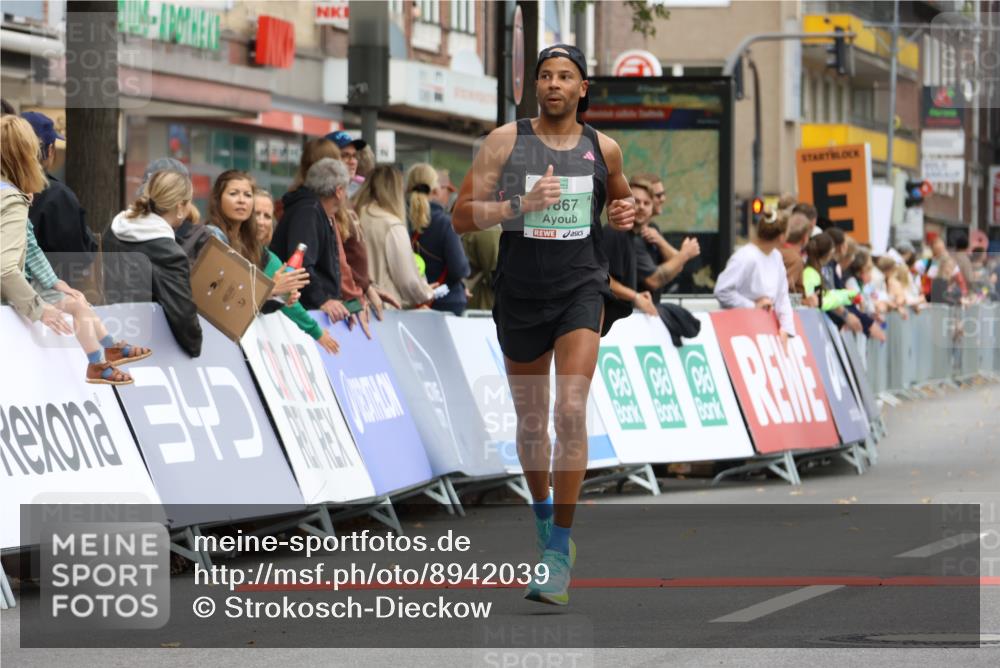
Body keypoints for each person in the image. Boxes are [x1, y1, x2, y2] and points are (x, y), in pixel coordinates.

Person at [451, 44, 636, 606]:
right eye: (545, 76)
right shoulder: (505, 142)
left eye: (565, 77)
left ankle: (558, 549)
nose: (553, 84)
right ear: (535, 86)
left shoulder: (605, 148)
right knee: (533, 422)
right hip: (522, 291)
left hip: (581, 287)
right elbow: (460, 215)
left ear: (583, 88)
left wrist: (627, 215)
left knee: (570, 409)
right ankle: (542, 517)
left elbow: (621, 208)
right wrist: (516, 207)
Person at [1, 115, 150, 385]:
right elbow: (7, 268)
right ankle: (99, 362)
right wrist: (39, 309)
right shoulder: (12, 199)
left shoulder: (14, 195)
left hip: (19, 292)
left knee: (78, 302)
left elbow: (29, 247)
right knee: (78, 304)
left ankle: (108, 351)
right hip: (12, 296)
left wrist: (54, 282)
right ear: (27, 153)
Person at [103, 170, 203, 357]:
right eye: (189, 202)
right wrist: (196, 343)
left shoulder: (115, 227)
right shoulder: (170, 254)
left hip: (110, 334)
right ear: (180, 206)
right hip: (148, 349)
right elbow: (183, 319)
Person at [204, 170, 310, 311]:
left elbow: (250, 307)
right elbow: (219, 298)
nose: (241, 200)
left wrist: (279, 297)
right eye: (233, 193)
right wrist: (270, 290)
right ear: (218, 199)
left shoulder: (250, 245)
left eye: (247, 195)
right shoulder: (212, 236)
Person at [254, 188, 340, 354]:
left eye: (266, 216)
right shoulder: (225, 242)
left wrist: (281, 297)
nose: (261, 222)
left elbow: (287, 302)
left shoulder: (270, 259)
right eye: (256, 214)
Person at [22, 111, 96, 290]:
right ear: (49, 151)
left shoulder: (6, 188)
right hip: (49, 299)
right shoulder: (58, 197)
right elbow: (76, 261)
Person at [357, 165, 438, 309]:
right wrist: (426, 292)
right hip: (384, 308)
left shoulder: (353, 215)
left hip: (356, 306)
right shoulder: (392, 225)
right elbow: (408, 281)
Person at [714, 208, 796, 347]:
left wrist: (786, 328)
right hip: (739, 333)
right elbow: (722, 290)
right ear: (782, 237)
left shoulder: (776, 256)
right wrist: (752, 306)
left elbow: (782, 296)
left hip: (765, 331)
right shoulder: (745, 257)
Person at [406, 163, 471, 316]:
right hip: (445, 303)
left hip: (412, 302)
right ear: (435, 190)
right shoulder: (445, 223)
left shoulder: (404, 221)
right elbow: (459, 269)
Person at [327, 130, 369, 197]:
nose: (353, 162)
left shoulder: (363, 191)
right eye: (345, 155)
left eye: (354, 156)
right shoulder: (317, 195)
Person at [781, 210, 811, 294]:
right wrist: (807, 302)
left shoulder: (775, 250)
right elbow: (785, 291)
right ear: (805, 238)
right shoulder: (795, 260)